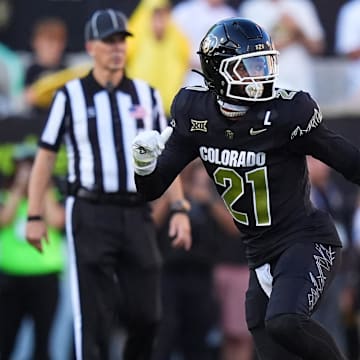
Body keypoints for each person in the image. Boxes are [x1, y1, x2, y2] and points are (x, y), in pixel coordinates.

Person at [132, 17, 360, 360]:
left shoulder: (286, 112)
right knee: (271, 346)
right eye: (247, 67)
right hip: (258, 253)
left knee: (285, 321)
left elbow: (348, 160)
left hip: (306, 239)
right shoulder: (194, 112)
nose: (259, 75)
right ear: (217, 71)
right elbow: (152, 188)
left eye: (263, 63)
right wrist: (143, 165)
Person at [25, 8, 191, 360]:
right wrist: (35, 215)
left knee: (148, 314)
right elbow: (44, 157)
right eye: (109, 40)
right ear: (90, 46)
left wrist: (178, 207)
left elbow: (166, 155)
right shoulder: (69, 95)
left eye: (121, 40)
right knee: (94, 316)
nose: (117, 48)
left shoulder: (147, 96)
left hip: (136, 211)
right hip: (90, 211)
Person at [0, 143, 65, 360]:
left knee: (42, 343)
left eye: (33, 166)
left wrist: (41, 188)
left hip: (45, 277)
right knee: (5, 341)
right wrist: (18, 189)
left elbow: (57, 221)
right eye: (24, 166)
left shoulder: (52, 194)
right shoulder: (5, 195)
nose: (28, 172)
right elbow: (4, 219)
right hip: (10, 278)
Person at [238, 0, 325, 96]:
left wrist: (297, 30)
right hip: (268, 81)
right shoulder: (251, 8)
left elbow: (317, 48)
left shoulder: (302, 5)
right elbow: (248, 52)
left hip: (301, 80)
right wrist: (288, 35)